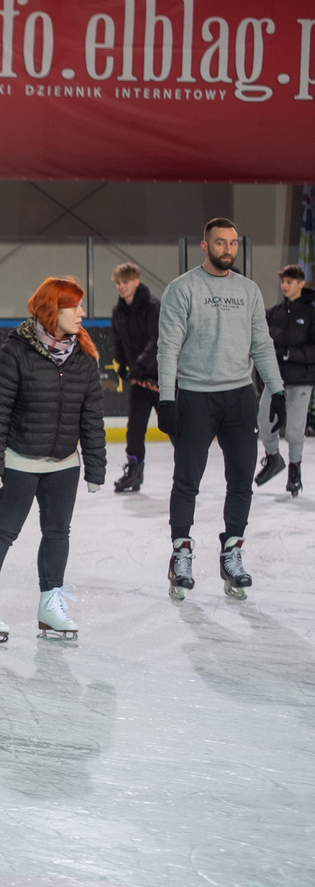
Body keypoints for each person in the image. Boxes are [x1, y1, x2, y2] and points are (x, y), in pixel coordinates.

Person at [0, 277, 106, 643]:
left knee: (58, 533)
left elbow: (91, 416)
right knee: (2, 532)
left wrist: (95, 465)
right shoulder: (16, 351)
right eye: (73, 306)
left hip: (63, 463)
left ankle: (50, 606)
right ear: (51, 310)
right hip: (19, 461)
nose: (82, 313)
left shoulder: (84, 356)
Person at [156, 218, 285, 601]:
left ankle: (232, 551)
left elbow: (261, 345)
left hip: (240, 397)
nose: (228, 249)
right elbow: (168, 349)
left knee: (242, 478)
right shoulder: (182, 289)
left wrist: (276, 390)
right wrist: (166, 399)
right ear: (204, 245)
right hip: (195, 396)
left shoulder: (248, 290)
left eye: (232, 243)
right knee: (187, 479)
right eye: (220, 243)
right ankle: (181, 552)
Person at [253, 266, 315, 497]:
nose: (285, 286)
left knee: (295, 430)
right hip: (275, 379)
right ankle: (273, 459)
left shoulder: (310, 314)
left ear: (301, 283)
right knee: (264, 423)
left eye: (290, 281)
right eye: (283, 282)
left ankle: (295, 471)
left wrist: (292, 354)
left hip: (301, 380)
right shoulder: (274, 313)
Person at [109, 262, 162, 493]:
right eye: (119, 283)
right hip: (139, 381)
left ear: (136, 281)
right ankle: (134, 471)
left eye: (126, 282)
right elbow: (119, 342)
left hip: (162, 379)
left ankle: (186, 471)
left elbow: (156, 339)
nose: (121, 287)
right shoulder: (117, 311)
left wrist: (140, 364)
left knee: (172, 425)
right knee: (135, 430)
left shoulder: (153, 306)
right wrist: (122, 365)